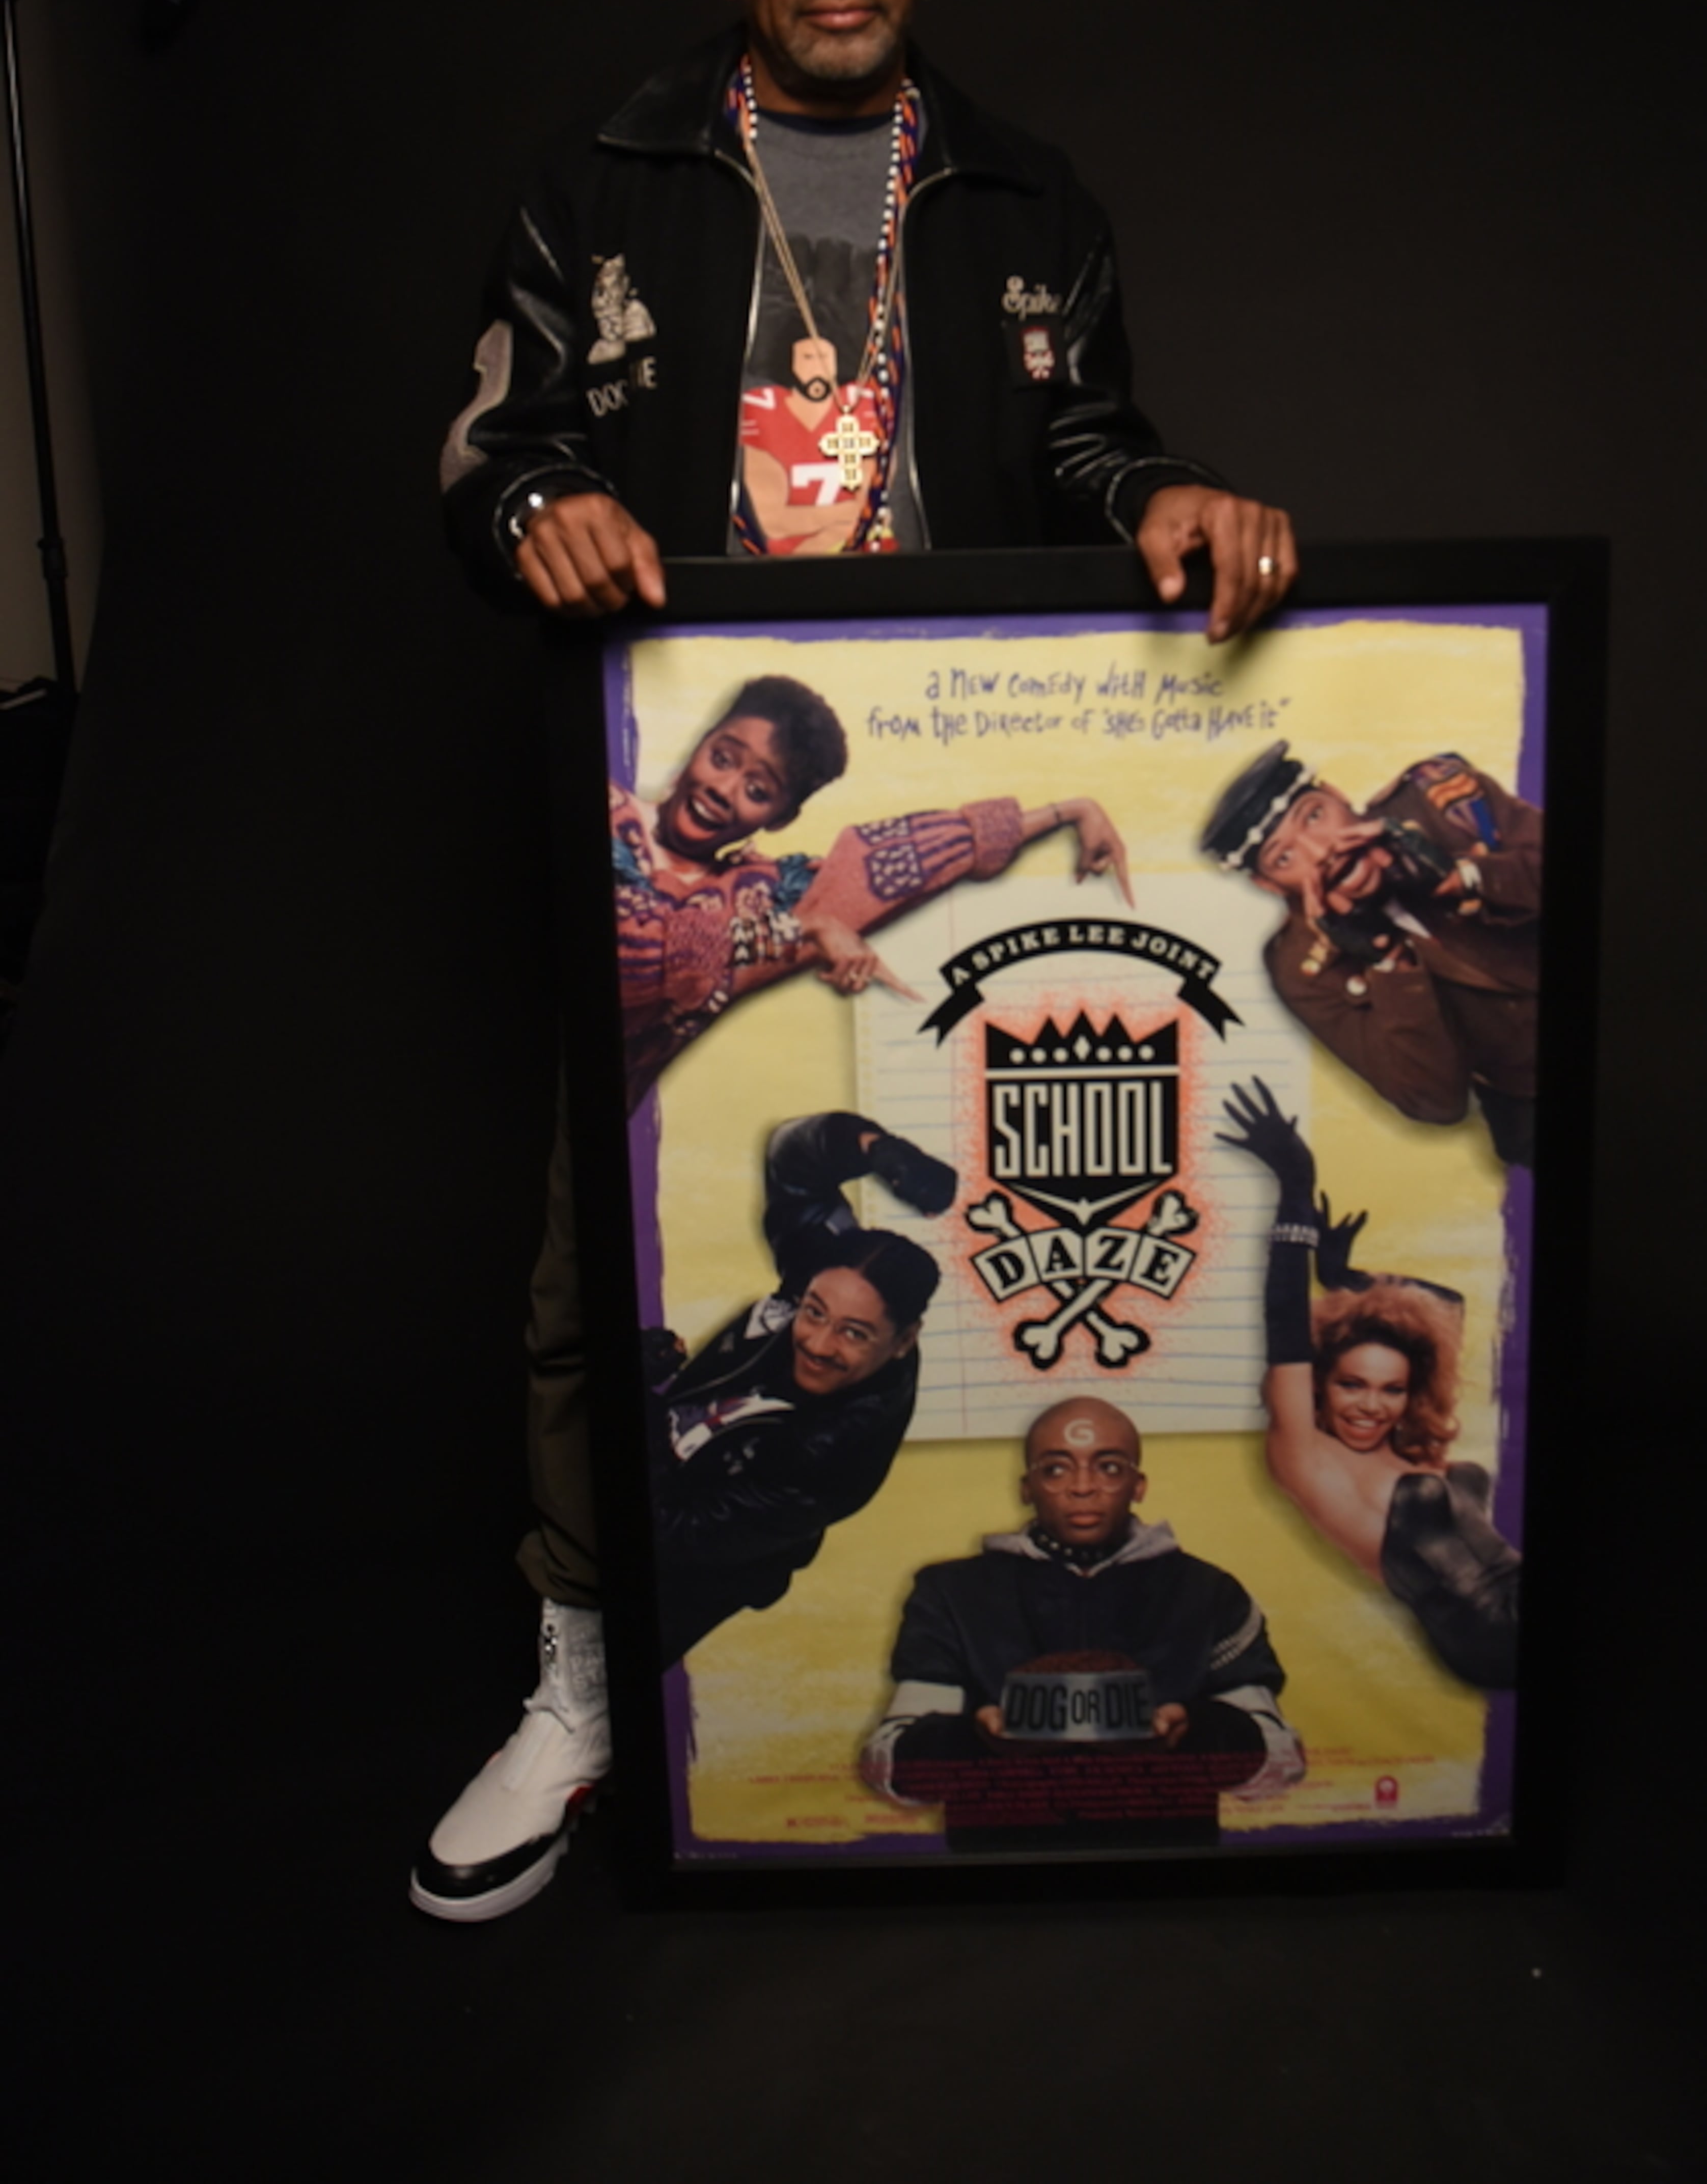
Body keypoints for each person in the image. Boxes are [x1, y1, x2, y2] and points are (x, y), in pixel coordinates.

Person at [427, 0, 1299, 1918]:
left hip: (922, 772)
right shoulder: (604, 177)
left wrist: (1164, 491)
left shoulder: (1023, 191)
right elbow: (491, 437)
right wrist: (543, 501)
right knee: (602, 1258)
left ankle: (919, 1659)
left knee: (963, 1238)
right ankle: (583, 1675)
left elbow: (1088, 434)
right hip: (666, 799)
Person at [413, 1113, 946, 1919]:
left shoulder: (835, 1455)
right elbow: (794, 1160)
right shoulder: (839, 1271)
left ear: (903, 1342)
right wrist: (879, 1151)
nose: (818, 1341)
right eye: (812, 1310)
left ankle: (588, 1718)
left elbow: (671, 1537)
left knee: (640, 1615)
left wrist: (633, 1408)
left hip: (707, 1555)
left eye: (855, 1335)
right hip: (687, 1456)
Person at [610, 670, 1133, 1108]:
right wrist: (805, 928)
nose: (723, 790)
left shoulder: (758, 891)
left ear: (781, 816)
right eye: (723, 758)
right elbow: (633, 958)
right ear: (701, 741)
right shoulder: (609, 815)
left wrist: (1070, 811)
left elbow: (888, 864)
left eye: (758, 790)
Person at [860, 1395, 1304, 1849]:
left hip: (1164, 1869)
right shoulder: (953, 1592)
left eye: (1109, 1467)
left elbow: (1280, 1761)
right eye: (1056, 1469)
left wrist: (1194, 1733)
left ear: (1139, 1484)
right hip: (1002, 1871)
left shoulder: (1208, 1591)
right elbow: (890, 1766)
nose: (1083, 1487)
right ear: (1027, 1487)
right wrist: (977, 1738)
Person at [1220, 1076, 1522, 1693]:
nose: (1371, 1405)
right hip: (1491, 1635)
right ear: (1322, 1385)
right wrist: (1295, 1188)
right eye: (1352, 1384)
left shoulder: (1410, 1451)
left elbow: (1448, 1306)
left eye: (1391, 1390)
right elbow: (1283, 1323)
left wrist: (1346, 1276)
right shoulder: (1308, 1459)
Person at [1201, 741, 1540, 1165]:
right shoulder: (1303, 970)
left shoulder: (1439, 798)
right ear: (1269, 886)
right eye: (1285, 857)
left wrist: (1461, 877)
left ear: (1337, 793)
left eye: (1314, 816)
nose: (1321, 852)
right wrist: (1388, 961)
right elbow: (1436, 1102)